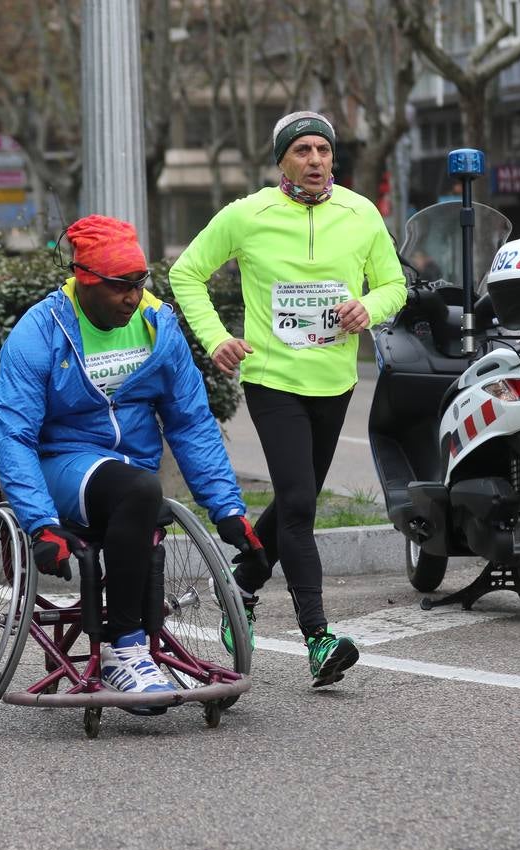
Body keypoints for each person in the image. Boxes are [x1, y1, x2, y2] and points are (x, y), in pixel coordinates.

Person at [169, 110, 406, 687]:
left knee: (297, 499)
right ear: (281, 161)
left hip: (335, 382)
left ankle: (243, 581)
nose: (316, 161)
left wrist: (366, 310)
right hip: (273, 382)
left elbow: (394, 285)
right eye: (302, 151)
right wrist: (218, 338)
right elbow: (186, 273)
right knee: (300, 507)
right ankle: (318, 638)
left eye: (323, 151)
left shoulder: (360, 214)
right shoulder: (248, 215)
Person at [0, 214, 262, 710]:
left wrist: (228, 510)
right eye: (120, 288)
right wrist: (40, 523)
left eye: (139, 284)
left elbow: (191, 422)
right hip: (60, 464)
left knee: (139, 491)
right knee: (139, 490)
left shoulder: (158, 325)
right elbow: (12, 434)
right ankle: (124, 649)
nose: (133, 298)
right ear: (84, 281)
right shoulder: (40, 331)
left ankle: (132, 643)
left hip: (129, 470)